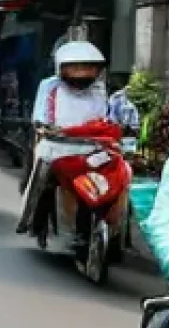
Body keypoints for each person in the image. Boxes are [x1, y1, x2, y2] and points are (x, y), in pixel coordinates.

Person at [17, 40, 110, 237]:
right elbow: (41, 116)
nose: (82, 73)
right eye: (75, 68)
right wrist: (47, 128)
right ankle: (33, 219)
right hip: (56, 146)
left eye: (88, 68)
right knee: (44, 180)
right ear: (62, 68)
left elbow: (104, 118)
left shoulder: (99, 90)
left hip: (89, 148)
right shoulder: (50, 86)